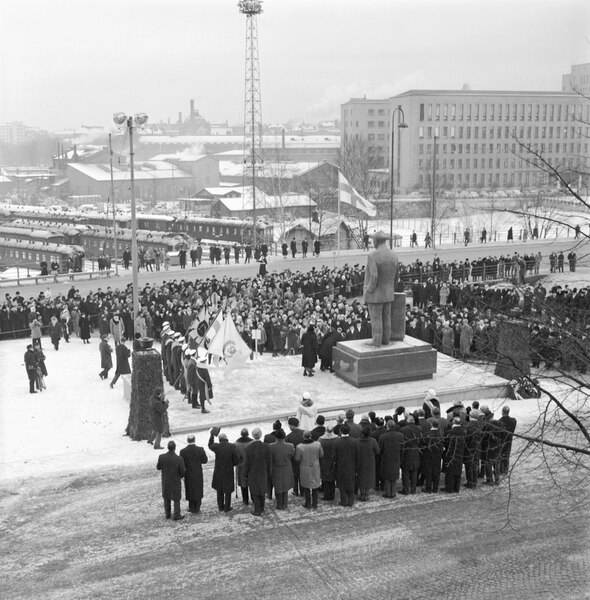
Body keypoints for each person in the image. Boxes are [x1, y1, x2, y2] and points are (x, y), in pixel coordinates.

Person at [363, 231, 398, 348]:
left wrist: (369, 290)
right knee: (386, 317)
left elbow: (374, 276)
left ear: (376, 241)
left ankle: (376, 342)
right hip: (388, 293)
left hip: (375, 294)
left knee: (376, 319)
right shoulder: (393, 255)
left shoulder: (373, 255)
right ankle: (385, 340)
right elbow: (397, 276)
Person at [208, 428, 239, 513]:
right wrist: (231, 464)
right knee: (228, 490)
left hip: (218, 471)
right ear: (226, 438)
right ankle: (227, 507)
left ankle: (220, 506)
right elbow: (236, 460)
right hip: (228, 471)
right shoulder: (232, 446)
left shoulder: (217, 447)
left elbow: (210, 445)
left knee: (219, 489)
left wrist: (211, 435)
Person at [244, 427, 272, 516]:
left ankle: (257, 510)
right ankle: (262, 507)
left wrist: (245, 474)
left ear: (252, 435)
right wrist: (269, 472)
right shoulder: (266, 447)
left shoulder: (248, 448)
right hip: (263, 472)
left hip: (253, 473)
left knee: (255, 491)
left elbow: (246, 463)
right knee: (262, 490)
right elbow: (269, 461)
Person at [156, 440, 186, 521]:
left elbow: (158, 467)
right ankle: (176, 514)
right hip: (175, 481)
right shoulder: (179, 459)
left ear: (168, 447)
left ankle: (167, 514)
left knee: (166, 497)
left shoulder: (161, 457)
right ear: (175, 448)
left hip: (165, 481)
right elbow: (183, 471)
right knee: (176, 498)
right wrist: (181, 476)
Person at [332, 423, 360, 507]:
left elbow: (334, 457)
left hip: (340, 467)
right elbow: (357, 456)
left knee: (342, 485)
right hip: (352, 466)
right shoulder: (355, 442)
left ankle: (343, 501)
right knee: (351, 483)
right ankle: (351, 501)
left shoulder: (336, 442)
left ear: (340, 431)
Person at [179, 435, 208, 514]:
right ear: (194, 440)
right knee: (198, 488)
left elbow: (181, 464)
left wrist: (182, 474)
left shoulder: (183, 451)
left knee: (189, 489)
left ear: (187, 440)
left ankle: (191, 507)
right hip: (198, 473)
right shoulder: (200, 449)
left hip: (188, 474)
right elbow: (205, 460)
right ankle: (197, 506)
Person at [295, 431, 323, 509]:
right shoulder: (317, 444)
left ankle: (308, 503)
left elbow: (297, 458)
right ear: (311, 436)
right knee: (315, 486)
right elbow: (321, 455)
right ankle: (315, 504)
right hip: (315, 467)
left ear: (303, 436)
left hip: (305, 468)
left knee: (306, 486)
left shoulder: (299, 447)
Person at [270, 429, 294, 510]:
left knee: (278, 486)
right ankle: (285, 504)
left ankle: (279, 504)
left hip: (276, 469)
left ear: (276, 437)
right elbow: (292, 456)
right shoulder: (290, 446)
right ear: (284, 437)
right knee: (285, 485)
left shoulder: (271, 446)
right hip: (287, 468)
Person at [378, 420, 403, 498]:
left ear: (387, 426)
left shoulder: (383, 437)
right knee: (394, 475)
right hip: (396, 457)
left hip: (386, 458)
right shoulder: (400, 436)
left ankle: (388, 493)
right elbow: (403, 448)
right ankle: (393, 492)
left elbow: (379, 450)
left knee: (387, 476)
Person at [443, 416, 466, 493]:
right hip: (460, 453)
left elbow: (446, 443)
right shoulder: (463, 432)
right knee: (458, 470)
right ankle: (456, 487)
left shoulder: (450, 432)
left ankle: (449, 488)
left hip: (451, 453)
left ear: (453, 422)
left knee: (450, 471)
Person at [358, 426, 380, 501]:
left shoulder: (358, 441)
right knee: (368, 478)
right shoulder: (373, 441)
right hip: (370, 462)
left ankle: (361, 494)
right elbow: (378, 451)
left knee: (361, 477)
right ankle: (366, 494)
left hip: (360, 462)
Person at [319, 424, 337, 500]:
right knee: (332, 479)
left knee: (325, 479)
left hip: (324, 461)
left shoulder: (321, 440)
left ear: (326, 430)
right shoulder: (337, 439)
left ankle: (326, 495)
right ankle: (332, 495)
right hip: (333, 461)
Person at [235, 428, 253, 505]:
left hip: (241, 466)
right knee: (252, 483)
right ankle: (253, 498)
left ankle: (245, 500)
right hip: (251, 465)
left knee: (243, 484)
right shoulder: (252, 442)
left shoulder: (236, 444)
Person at [498, 406, 517, 475]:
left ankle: (501, 470)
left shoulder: (499, 421)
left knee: (501, 455)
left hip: (502, 440)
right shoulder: (513, 421)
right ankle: (505, 470)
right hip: (509, 440)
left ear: (502, 412)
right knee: (507, 455)